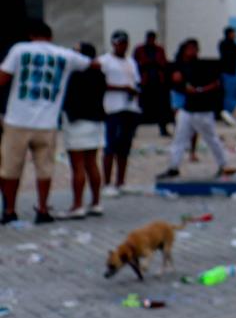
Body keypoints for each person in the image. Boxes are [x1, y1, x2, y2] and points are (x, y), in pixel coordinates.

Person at [0, 20, 96, 224]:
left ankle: (9, 210)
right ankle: (43, 209)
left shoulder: (19, 50)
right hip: (47, 122)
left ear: (30, 35)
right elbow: (92, 64)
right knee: (44, 169)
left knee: (11, 168)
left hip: (17, 120)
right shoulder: (65, 54)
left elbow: (2, 78)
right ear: (50, 37)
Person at [159, 39, 228, 178]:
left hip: (203, 110)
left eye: (193, 49)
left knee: (211, 139)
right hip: (187, 109)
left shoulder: (203, 66)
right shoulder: (181, 67)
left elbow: (215, 84)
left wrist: (199, 90)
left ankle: (223, 164)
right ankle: (173, 166)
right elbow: (177, 85)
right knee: (179, 139)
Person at [62, 42, 107, 217]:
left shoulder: (74, 74)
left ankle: (77, 205)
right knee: (92, 163)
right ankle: (96, 203)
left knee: (78, 165)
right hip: (95, 121)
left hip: (77, 121)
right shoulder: (99, 74)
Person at [99, 30, 142, 193]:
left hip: (130, 108)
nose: (122, 46)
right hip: (113, 108)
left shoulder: (131, 62)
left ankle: (121, 181)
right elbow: (100, 84)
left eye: (124, 43)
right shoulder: (105, 61)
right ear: (113, 44)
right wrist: (122, 88)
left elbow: (136, 82)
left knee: (124, 147)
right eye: (119, 43)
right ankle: (107, 182)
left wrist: (134, 91)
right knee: (111, 146)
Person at [134, 29, 171, 136]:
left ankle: (163, 129)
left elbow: (163, 63)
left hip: (157, 81)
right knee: (140, 107)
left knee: (161, 108)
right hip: (144, 81)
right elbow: (135, 63)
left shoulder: (159, 49)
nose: (151, 40)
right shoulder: (140, 49)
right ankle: (133, 130)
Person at [217, 26, 236, 123]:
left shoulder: (226, 44)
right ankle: (226, 113)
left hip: (231, 73)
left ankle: (227, 113)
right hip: (227, 73)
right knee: (229, 95)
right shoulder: (228, 44)